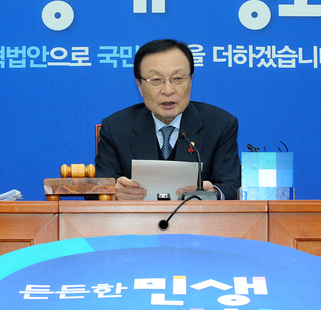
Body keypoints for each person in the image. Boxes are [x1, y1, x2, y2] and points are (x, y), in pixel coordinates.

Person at [95, 39, 240, 200]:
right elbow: (97, 190)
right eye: (156, 80)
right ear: (140, 85)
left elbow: (232, 186)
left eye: (177, 78)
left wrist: (214, 193)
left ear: (190, 81)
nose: (168, 90)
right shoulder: (116, 128)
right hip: (136, 217)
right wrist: (113, 194)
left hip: (198, 216)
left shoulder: (220, 125)